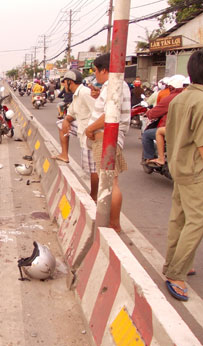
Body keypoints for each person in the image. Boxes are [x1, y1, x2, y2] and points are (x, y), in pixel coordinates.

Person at [163, 51, 203, 302]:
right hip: (196, 170)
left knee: (179, 218)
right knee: (197, 221)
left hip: (178, 166)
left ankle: (174, 264)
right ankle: (177, 273)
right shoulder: (201, 101)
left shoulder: (179, 98)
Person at [84, 53, 130, 233]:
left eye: (96, 70)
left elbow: (110, 114)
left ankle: (114, 223)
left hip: (105, 137)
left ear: (104, 70)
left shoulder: (114, 85)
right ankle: (112, 221)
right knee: (109, 180)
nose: (95, 74)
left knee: (111, 182)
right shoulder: (115, 85)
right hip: (107, 136)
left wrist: (90, 128)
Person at [51, 69, 98, 200]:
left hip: (90, 132)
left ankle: (94, 196)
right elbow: (71, 112)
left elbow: (98, 112)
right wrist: (66, 120)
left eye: (65, 83)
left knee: (93, 168)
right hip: (82, 128)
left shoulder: (85, 93)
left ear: (70, 82)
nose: (63, 86)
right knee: (61, 124)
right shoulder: (76, 95)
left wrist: (91, 130)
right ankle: (64, 154)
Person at [142, 75, 185, 165]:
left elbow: (155, 111)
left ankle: (157, 159)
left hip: (173, 128)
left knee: (148, 134)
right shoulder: (189, 96)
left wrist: (148, 113)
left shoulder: (169, 97)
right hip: (187, 129)